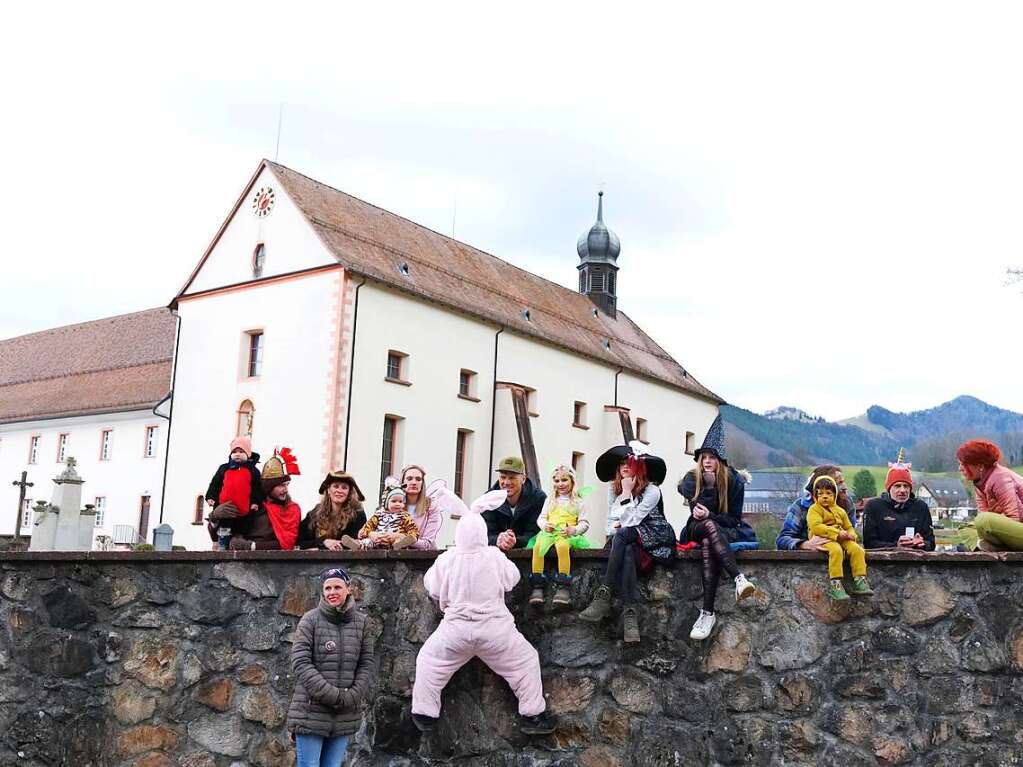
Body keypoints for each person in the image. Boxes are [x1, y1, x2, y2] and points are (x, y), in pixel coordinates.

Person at [410, 489, 556, 736]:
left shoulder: (447, 559)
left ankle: (424, 713)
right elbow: (513, 578)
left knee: (429, 661)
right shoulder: (494, 556)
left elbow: (431, 586)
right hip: (495, 629)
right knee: (525, 661)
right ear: (481, 531)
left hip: (455, 629)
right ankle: (533, 715)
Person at [579, 442, 676, 644]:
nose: (624, 466)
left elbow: (632, 521)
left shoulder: (652, 491)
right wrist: (622, 497)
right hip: (631, 539)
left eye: (629, 463)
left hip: (655, 537)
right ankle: (630, 615)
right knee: (628, 548)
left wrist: (626, 494)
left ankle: (604, 594)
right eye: (621, 463)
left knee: (624, 535)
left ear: (639, 467)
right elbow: (610, 523)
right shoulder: (614, 488)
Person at [677, 416, 757, 640]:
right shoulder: (692, 480)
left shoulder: (734, 482)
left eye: (712, 457)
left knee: (708, 540)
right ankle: (739, 579)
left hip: (721, 529)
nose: (707, 462)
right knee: (707, 526)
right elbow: (698, 515)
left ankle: (707, 613)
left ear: (720, 460)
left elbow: (733, 519)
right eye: (704, 457)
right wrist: (709, 488)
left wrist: (711, 514)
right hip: (694, 527)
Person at [287, 567, 375, 767]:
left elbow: (366, 663)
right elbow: (300, 663)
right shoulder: (310, 620)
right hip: (310, 712)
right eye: (327, 588)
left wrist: (352, 696)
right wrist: (334, 696)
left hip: (344, 713)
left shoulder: (362, 624)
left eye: (337, 587)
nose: (332, 592)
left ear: (348, 589)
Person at [528, 464, 591, 608]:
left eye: (564, 480)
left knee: (562, 547)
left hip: (566, 534)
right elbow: (541, 518)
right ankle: (537, 585)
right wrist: (545, 526)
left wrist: (573, 530)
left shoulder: (578, 502)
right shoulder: (550, 501)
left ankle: (563, 586)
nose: (560, 484)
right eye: (557, 481)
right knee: (538, 547)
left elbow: (585, 523)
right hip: (549, 533)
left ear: (572, 481)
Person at [808, 475, 873, 601]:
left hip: (842, 536)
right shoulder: (814, 509)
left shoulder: (840, 511)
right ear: (815, 496)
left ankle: (860, 579)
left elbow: (848, 526)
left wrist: (852, 534)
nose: (825, 496)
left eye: (829, 493)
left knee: (857, 549)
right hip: (823, 538)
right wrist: (836, 533)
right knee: (836, 551)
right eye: (821, 494)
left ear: (835, 495)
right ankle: (836, 584)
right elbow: (816, 527)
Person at [229, 447, 302, 550]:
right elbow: (236, 531)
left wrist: (252, 546)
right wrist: (216, 517)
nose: (285, 489)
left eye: (287, 485)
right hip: (246, 562)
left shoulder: (291, 509)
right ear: (269, 487)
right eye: (281, 485)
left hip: (277, 563)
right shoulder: (255, 506)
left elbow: (287, 544)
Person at [957, 439, 1023, 551]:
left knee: (983, 520)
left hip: (1018, 526)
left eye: (964, 464)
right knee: (964, 528)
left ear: (980, 466)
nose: (960, 468)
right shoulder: (979, 483)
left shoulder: (1000, 477)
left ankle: (990, 546)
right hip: (1005, 530)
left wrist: (994, 520)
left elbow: (1015, 518)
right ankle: (983, 545)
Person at [863, 456, 935, 551]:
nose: (902, 490)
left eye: (906, 486)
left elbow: (931, 544)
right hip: (882, 563)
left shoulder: (921, 507)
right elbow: (869, 543)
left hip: (916, 563)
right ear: (889, 488)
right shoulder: (874, 507)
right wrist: (896, 546)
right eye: (897, 486)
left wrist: (921, 544)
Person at [776, 465, 853, 551]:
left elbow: (850, 531)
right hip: (807, 562)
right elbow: (782, 540)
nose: (845, 487)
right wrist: (805, 544)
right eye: (839, 483)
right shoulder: (800, 506)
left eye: (843, 482)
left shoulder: (847, 504)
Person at [205, 436, 263, 548]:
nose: (237, 454)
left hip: (244, 509)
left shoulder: (253, 471)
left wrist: (255, 502)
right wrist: (210, 496)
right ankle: (222, 546)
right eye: (234, 452)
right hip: (224, 508)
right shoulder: (224, 468)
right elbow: (215, 484)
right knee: (223, 530)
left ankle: (238, 539)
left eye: (241, 451)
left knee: (241, 528)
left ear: (248, 454)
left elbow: (257, 488)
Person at [484, 456, 547, 552]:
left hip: (528, 557)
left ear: (523, 479)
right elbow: (484, 534)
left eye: (512, 477)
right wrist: (498, 539)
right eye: (503, 477)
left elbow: (535, 534)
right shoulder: (488, 499)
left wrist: (515, 541)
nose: (506, 482)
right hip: (496, 556)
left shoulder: (538, 499)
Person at [298, 471, 368, 551]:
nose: (339, 490)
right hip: (317, 562)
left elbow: (361, 542)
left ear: (349, 492)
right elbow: (300, 542)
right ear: (328, 490)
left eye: (344, 487)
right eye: (336, 486)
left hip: (347, 562)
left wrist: (339, 544)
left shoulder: (358, 514)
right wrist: (324, 542)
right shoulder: (314, 514)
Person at [342, 485, 418, 550]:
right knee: (367, 542)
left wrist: (404, 536)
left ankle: (399, 545)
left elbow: (413, 531)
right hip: (378, 540)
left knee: (400, 541)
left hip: (393, 541)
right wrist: (370, 534)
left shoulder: (404, 516)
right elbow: (368, 526)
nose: (397, 504)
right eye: (394, 501)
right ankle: (357, 545)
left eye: (400, 502)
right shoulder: (379, 514)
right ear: (386, 502)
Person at [401, 465, 443, 549]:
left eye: (418, 479)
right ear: (402, 483)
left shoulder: (431, 507)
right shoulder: (394, 505)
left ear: (422, 483)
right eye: (409, 479)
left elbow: (427, 543)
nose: (414, 482)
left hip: (424, 558)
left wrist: (402, 539)